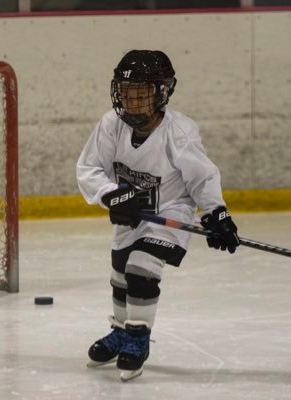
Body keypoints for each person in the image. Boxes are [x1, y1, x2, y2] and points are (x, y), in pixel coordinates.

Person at [76, 49, 240, 381]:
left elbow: (202, 176)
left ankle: (138, 338)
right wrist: (113, 195)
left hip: (170, 212)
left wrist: (216, 214)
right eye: (126, 94)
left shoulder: (179, 132)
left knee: (140, 269)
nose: (132, 102)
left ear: (162, 93)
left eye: (141, 94)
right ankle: (122, 331)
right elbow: (89, 168)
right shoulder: (111, 125)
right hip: (131, 215)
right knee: (120, 276)